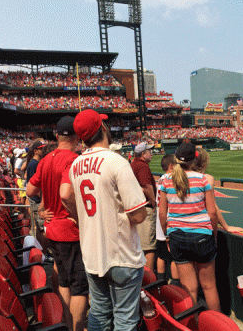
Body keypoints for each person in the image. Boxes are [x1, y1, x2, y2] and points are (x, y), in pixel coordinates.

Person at [59, 109, 148, 331]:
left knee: (99, 314)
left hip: (92, 253)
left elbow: (66, 198)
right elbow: (138, 214)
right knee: (125, 320)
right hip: (121, 253)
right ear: (103, 129)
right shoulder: (116, 161)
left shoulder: (76, 165)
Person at [26, 116, 88, 331]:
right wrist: (79, 218)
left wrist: (42, 209)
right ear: (76, 135)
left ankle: (68, 324)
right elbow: (66, 194)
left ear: (56, 135)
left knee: (64, 282)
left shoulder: (45, 159)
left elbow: (29, 191)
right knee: (79, 287)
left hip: (52, 229)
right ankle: (76, 327)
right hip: (69, 230)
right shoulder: (72, 159)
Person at [158, 142, 230, 312]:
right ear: (193, 160)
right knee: (210, 287)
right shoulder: (202, 179)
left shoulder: (167, 180)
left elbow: (162, 214)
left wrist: (167, 236)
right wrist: (213, 236)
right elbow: (212, 213)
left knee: (189, 290)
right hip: (202, 235)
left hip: (177, 236)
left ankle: (193, 324)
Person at [130, 142, 158, 275]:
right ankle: (149, 280)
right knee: (149, 248)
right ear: (143, 154)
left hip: (135, 208)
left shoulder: (133, 163)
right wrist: (153, 202)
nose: (151, 154)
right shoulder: (142, 166)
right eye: (149, 152)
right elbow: (147, 186)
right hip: (145, 208)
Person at [154, 154, 179, 284]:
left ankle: (160, 283)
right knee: (174, 257)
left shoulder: (160, 179)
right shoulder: (172, 179)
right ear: (171, 166)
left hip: (159, 222)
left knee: (161, 255)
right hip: (169, 221)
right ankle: (175, 286)